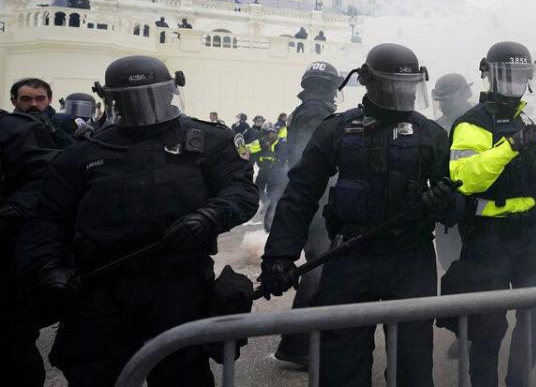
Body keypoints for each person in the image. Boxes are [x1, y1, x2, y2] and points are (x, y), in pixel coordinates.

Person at [17, 55, 258, 387]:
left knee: (182, 374)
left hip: (179, 284)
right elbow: (49, 217)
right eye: (132, 100)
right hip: (102, 286)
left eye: (153, 97)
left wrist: (209, 216)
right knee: (92, 374)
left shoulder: (206, 140)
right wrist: (48, 266)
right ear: (112, 100)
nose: (146, 108)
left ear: (171, 93)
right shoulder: (83, 152)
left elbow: (241, 190)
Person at [260, 43, 461, 387]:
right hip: (349, 257)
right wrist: (279, 255)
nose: (404, 94)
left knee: (412, 368)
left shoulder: (431, 134)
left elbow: (458, 206)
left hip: (410, 260)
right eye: (395, 86)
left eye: (409, 86)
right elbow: (300, 194)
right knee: (341, 367)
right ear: (369, 82)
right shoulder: (336, 129)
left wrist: (445, 201)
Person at [445, 41, 536, 387]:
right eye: (506, 75)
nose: (513, 83)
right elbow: (465, 178)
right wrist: (510, 146)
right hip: (487, 238)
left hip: (527, 238)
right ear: (488, 76)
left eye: (520, 75)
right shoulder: (471, 124)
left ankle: (518, 382)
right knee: (487, 328)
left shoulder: (527, 121)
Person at [273, 60, 342, 366]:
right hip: (320, 204)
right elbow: (316, 162)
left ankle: (302, 342)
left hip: (315, 202)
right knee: (319, 271)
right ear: (330, 85)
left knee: (320, 269)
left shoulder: (307, 109)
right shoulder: (317, 112)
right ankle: (297, 344)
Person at [0, 110, 58, 387]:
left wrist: (10, 211)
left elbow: (47, 178)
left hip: (5, 253)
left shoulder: (14, 130)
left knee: (11, 340)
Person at [430, 73, 476, 277]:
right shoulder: (435, 129)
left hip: (481, 215)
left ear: (465, 95)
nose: (443, 106)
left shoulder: (484, 123)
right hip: (448, 217)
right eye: (441, 102)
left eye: (448, 100)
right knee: (453, 270)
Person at [10, 78, 73, 148]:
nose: (34, 104)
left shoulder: (64, 122)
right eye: (26, 99)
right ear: (14, 102)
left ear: (49, 99)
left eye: (40, 99)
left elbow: (74, 153)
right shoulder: (6, 125)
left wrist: (53, 130)